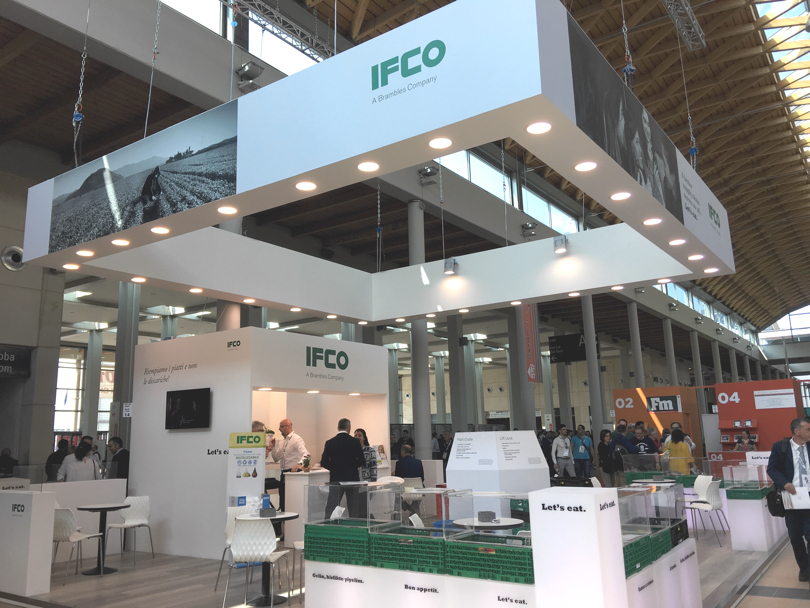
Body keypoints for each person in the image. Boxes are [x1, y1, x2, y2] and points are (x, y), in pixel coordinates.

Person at [766, 417, 810, 585]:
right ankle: (804, 568)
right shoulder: (780, 447)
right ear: (797, 431)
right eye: (808, 429)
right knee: (795, 536)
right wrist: (784, 483)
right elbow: (772, 469)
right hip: (792, 497)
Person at [320, 418, 366, 518]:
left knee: (332, 507)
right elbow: (362, 461)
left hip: (336, 479)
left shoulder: (330, 442)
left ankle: (328, 525)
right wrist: (351, 466)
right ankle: (354, 526)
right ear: (348, 427)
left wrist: (334, 468)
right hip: (352, 479)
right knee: (353, 508)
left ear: (338, 427)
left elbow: (323, 462)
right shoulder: (355, 442)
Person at [267, 419, 308, 512]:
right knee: (282, 499)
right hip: (284, 473)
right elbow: (276, 458)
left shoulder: (296, 439)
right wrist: (273, 448)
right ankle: (283, 519)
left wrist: (299, 464)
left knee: (292, 499)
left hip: (294, 473)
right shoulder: (282, 442)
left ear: (288, 426)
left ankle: (292, 518)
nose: (279, 429)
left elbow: (306, 454)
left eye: (281, 427)